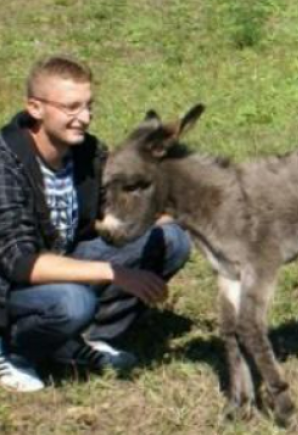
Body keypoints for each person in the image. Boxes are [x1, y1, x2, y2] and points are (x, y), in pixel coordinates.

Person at [0, 55, 191, 392]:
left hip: (56, 266)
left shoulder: (87, 152)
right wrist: (113, 272)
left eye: (89, 106)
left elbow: (111, 215)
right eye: (71, 108)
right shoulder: (7, 161)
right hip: (11, 288)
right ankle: (12, 352)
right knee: (73, 302)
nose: (84, 118)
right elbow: (20, 263)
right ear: (35, 107)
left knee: (171, 239)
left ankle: (83, 342)